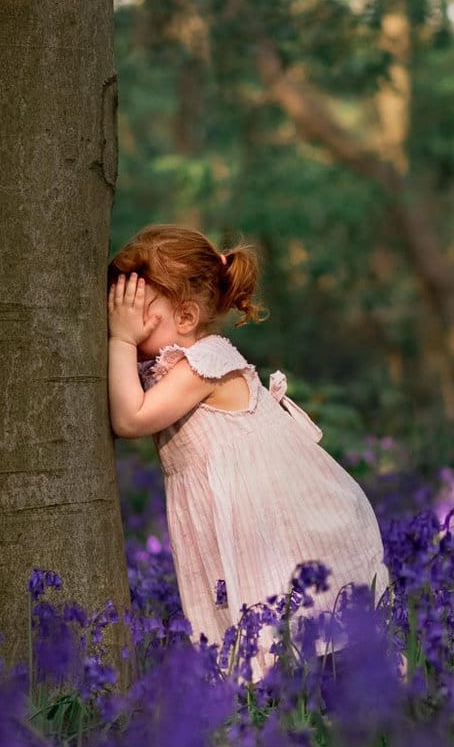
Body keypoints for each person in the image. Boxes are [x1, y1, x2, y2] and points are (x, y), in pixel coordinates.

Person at [105, 223, 390, 676]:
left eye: (138, 308)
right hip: (246, 528)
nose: (122, 317)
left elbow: (129, 418)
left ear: (185, 318)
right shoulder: (169, 365)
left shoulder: (204, 363)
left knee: (313, 645)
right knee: (276, 647)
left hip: (287, 533)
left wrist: (120, 340)